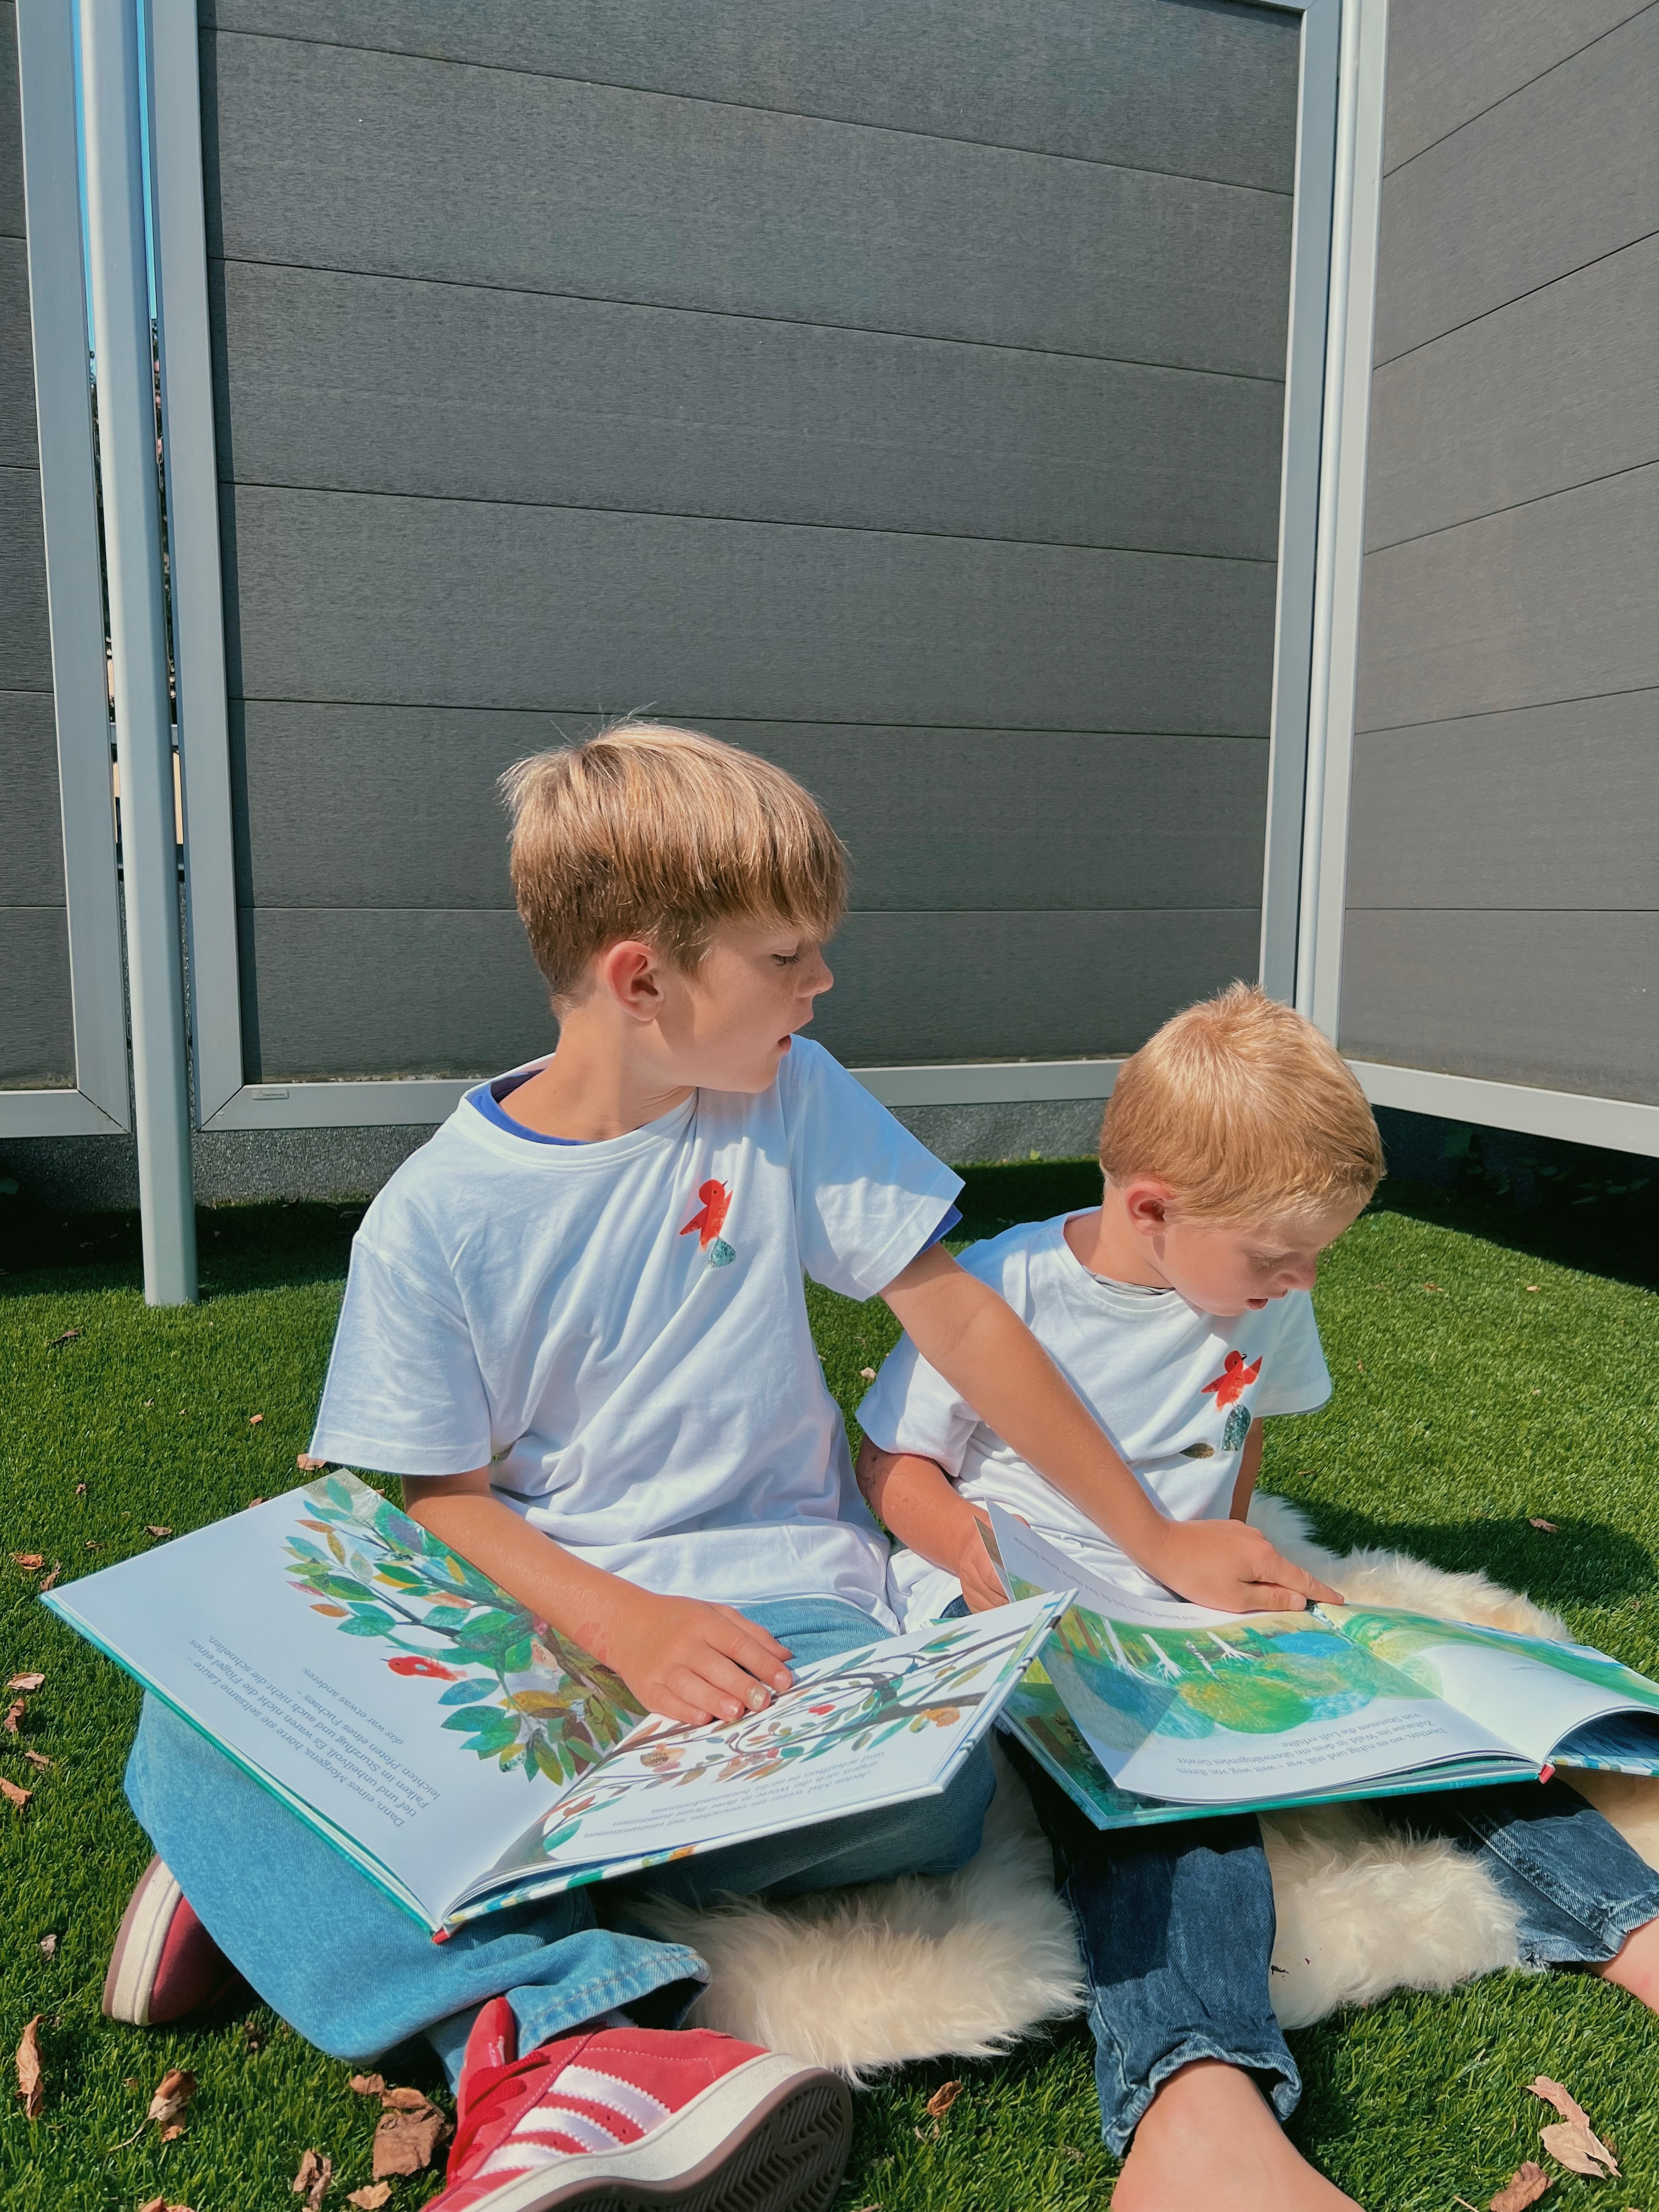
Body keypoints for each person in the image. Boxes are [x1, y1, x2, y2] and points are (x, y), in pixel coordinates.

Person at [104, 728, 1334, 2212]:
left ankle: (309, 1863)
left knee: (939, 1795)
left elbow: (961, 1320)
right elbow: (443, 1503)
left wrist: (1156, 1534)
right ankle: (564, 2041)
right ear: (643, 981)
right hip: (557, 1638)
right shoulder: (432, 1223)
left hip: (790, 1633)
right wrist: (625, 1626)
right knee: (186, 1715)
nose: (822, 988)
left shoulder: (789, 1095)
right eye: (788, 958)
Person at [857, 984, 1659, 2212]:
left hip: (1192, 1604)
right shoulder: (1003, 1289)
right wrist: (962, 1541)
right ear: (1151, 1208)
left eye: (1316, 1255)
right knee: (1165, 1795)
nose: (1302, 1279)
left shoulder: (1262, 1293)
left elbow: (1242, 1433)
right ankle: (1199, 2100)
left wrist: (1240, 1552)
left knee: (1431, 1718)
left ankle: (1634, 1923)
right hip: (1023, 1611)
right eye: (1278, 1257)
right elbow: (891, 1464)